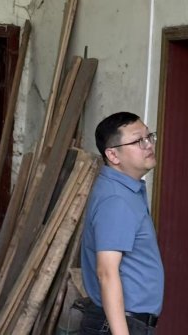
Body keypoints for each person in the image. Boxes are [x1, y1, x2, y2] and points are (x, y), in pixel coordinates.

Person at [79, 112, 164, 335]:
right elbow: (106, 272)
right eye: (138, 141)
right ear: (113, 155)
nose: (149, 145)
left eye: (149, 136)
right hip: (119, 324)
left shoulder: (125, 191)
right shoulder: (116, 199)